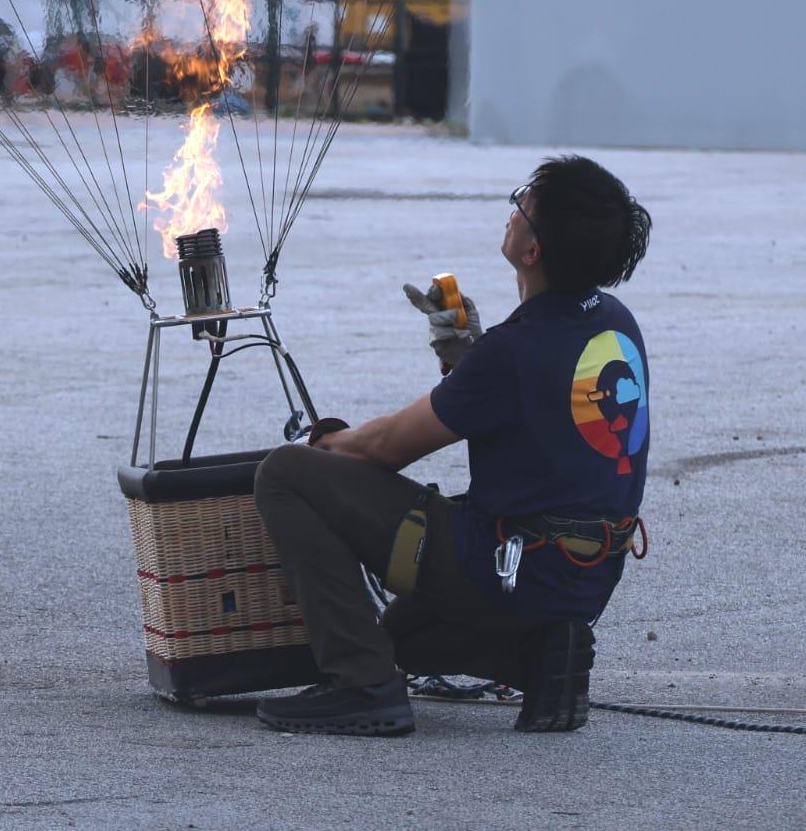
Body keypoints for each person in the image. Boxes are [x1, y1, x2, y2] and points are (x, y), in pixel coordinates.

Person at [252, 156, 653, 736]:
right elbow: (543, 413)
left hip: (506, 567)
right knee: (401, 639)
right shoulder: (615, 323)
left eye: (522, 205)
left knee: (286, 474)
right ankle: (543, 655)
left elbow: (387, 447)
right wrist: (468, 354)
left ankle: (362, 688)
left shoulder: (511, 353)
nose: (512, 210)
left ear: (533, 251)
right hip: (582, 574)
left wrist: (327, 441)